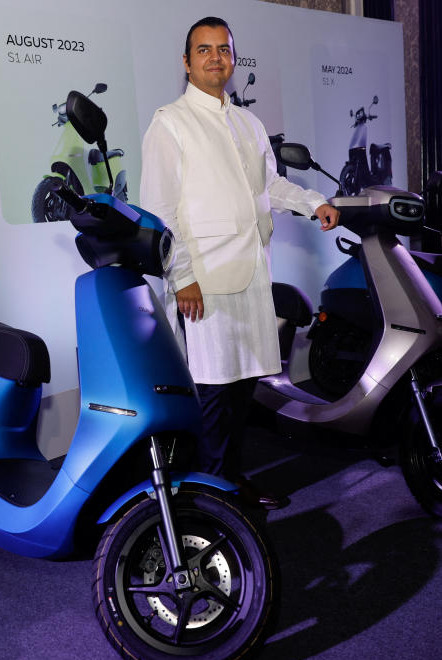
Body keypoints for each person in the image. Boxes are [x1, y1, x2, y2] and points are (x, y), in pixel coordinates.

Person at [140, 16, 340, 509]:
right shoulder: (170, 123)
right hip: (204, 281)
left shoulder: (248, 123)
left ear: (233, 58)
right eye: (204, 50)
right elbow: (159, 211)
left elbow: (269, 187)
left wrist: (313, 202)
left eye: (223, 49)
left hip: (251, 275)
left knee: (242, 390)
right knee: (212, 395)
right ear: (186, 63)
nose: (215, 58)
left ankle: (228, 481)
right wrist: (181, 275)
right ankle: (209, 501)